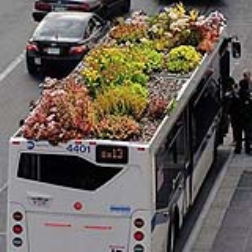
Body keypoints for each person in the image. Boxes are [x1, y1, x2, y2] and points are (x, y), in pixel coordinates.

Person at [234, 74, 252, 154]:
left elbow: (232, 107)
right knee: (248, 133)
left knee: (238, 133)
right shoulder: (248, 95)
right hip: (247, 117)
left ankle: (238, 148)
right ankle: (247, 148)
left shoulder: (236, 95)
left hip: (238, 117)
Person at [223, 76, 239, 144]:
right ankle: (237, 139)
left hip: (233, 112)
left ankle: (236, 140)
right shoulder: (234, 91)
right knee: (236, 127)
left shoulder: (230, 93)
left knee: (235, 127)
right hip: (235, 112)